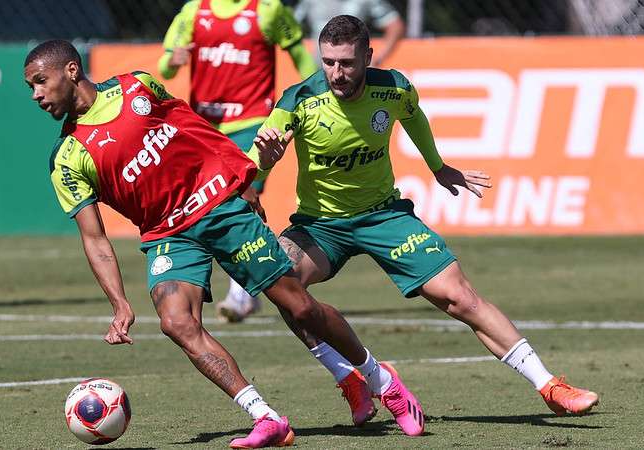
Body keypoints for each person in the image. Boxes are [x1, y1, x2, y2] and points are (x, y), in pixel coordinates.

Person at [24, 39, 426, 447]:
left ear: (71, 70)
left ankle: (380, 380)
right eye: (30, 87)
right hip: (168, 234)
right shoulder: (67, 157)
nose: (36, 95)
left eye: (40, 81)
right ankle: (266, 417)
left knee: (300, 307)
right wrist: (119, 304)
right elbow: (95, 239)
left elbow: (193, 126)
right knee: (176, 322)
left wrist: (242, 175)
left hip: (217, 205)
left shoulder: (136, 87)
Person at [249, 15, 599, 428]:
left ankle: (550, 386)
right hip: (320, 225)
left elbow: (414, 117)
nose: (336, 73)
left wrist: (437, 166)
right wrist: (261, 169)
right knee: (282, 285)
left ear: (367, 57)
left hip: (383, 215)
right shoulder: (299, 99)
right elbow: (256, 161)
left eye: (346, 63)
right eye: (328, 62)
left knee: (460, 298)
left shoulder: (394, 88)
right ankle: (350, 378)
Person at [158, 0, 318, 322]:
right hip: (205, 124)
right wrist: (173, 60)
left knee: (242, 198)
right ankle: (224, 287)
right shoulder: (194, 11)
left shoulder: (267, 10)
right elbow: (166, 66)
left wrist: (317, 90)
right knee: (207, 204)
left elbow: (299, 54)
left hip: (252, 120)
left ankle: (241, 294)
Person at [294, 0, 405, 67]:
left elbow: (395, 25)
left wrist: (378, 58)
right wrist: (303, 57)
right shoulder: (309, 2)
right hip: (317, 69)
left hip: (352, 72)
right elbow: (291, 26)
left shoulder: (366, 2)